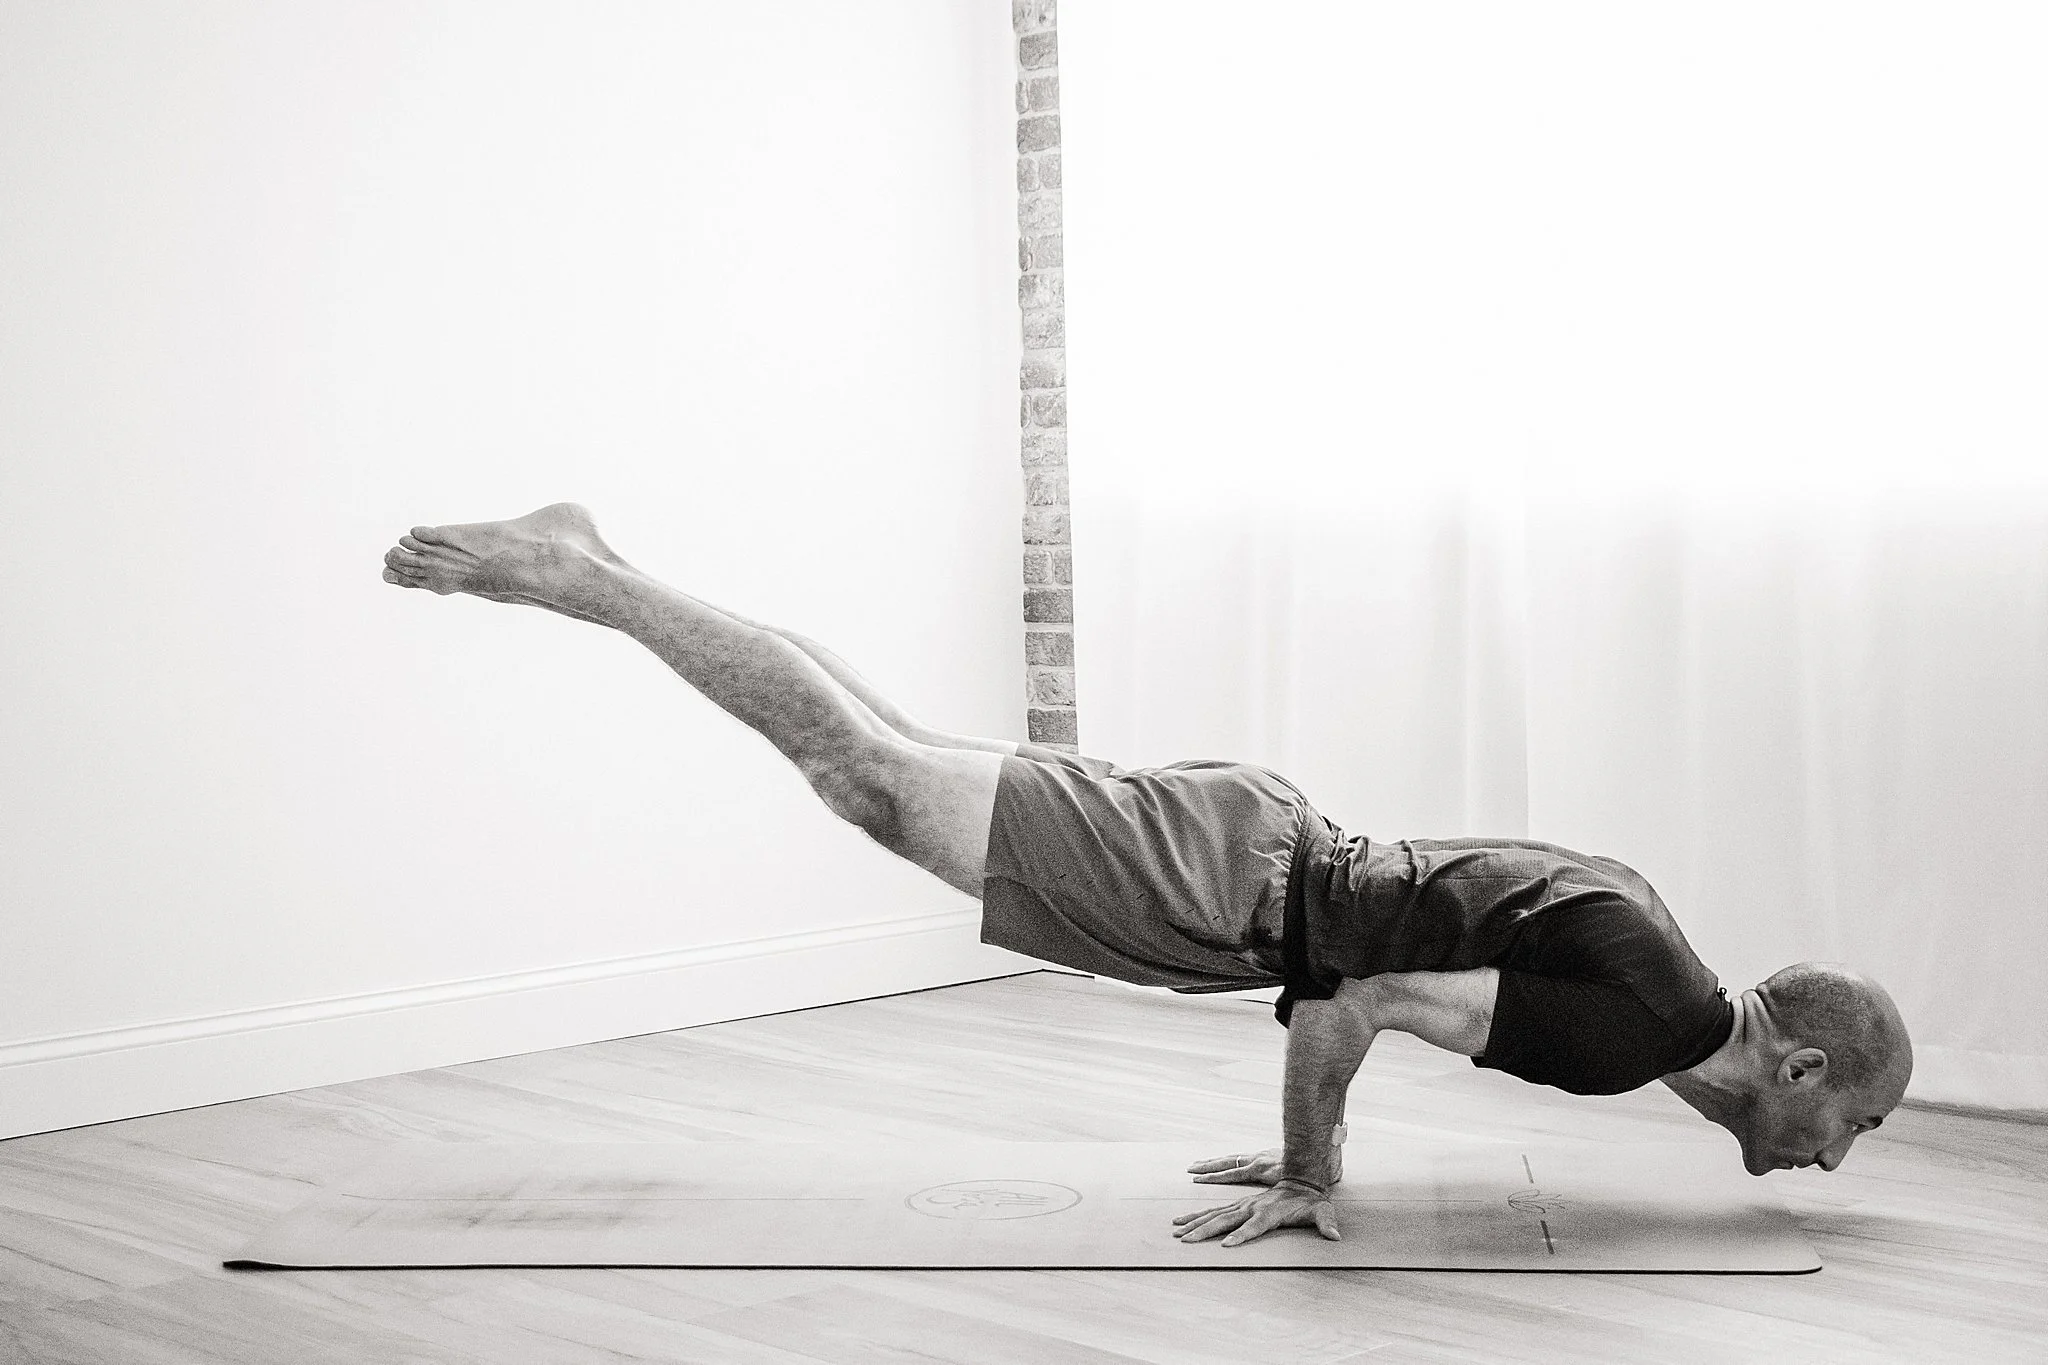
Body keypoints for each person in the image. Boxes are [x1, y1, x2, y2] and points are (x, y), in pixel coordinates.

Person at [382, 502, 1914, 1250]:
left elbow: (1391, 964)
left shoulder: (1662, 987)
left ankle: (598, 562)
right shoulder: (1640, 1027)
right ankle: (574, 575)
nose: (1838, 1156)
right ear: (1800, 1060)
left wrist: (1725, 1128)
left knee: (892, 758)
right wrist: (1315, 1172)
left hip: (1250, 849)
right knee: (871, 774)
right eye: (1851, 1120)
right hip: (1225, 889)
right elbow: (1362, 994)